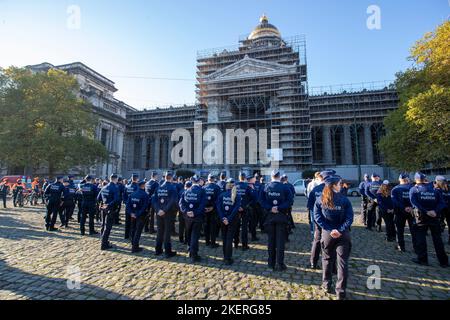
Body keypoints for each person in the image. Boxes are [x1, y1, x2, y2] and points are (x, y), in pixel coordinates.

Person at [314, 175, 354, 300]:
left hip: (328, 234)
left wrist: (330, 229)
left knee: (327, 259)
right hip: (342, 235)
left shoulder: (320, 199)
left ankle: (326, 285)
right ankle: (341, 291)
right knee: (342, 262)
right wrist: (340, 230)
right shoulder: (344, 199)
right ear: (335, 185)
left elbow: (317, 217)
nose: (341, 185)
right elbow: (349, 218)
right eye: (339, 183)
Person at [410, 172, 448, 267]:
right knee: (437, 239)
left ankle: (422, 259)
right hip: (434, 217)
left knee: (421, 238)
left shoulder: (414, 190)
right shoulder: (435, 190)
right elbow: (442, 203)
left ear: (416, 179)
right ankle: (443, 261)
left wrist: (426, 211)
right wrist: (434, 211)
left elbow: (415, 204)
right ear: (425, 179)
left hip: (421, 217)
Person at [260, 169, 294, 271]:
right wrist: (279, 208)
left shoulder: (266, 187)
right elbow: (290, 201)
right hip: (281, 216)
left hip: (270, 216)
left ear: (271, 176)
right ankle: (280, 264)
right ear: (279, 176)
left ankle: (270, 264)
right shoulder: (285, 187)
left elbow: (261, 201)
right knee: (280, 242)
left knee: (271, 241)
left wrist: (270, 208)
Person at [306, 170, 335, 269]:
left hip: (319, 220)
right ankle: (333, 266)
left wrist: (315, 217)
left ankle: (313, 263)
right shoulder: (335, 189)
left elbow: (310, 205)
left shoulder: (316, 189)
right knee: (333, 242)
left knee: (317, 240)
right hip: (332, 220)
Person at [179, 175, 207, 262]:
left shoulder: (187, 190)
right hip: (197, 216)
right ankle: (194, 254)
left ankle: (190, 251)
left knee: (189, 234)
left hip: (188, 217)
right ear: (199, 181)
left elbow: (181, 203)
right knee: (195, 235)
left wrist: (186, 211)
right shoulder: (202, 191)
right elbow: (202, 205)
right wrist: (193, 212)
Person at [152, 171, 178, 258]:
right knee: (167, 233)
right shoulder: (172, 187)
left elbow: (154, 200)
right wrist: (165, 210)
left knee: (160, 232)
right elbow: (172, 201)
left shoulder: (159, 187)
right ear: (171, 178)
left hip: (159, 213)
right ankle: (167, 251)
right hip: (168, 213)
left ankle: (158, 250)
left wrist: (158, 210)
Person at [216, 178, 241, 265]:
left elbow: (218, 208)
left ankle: (225, 256)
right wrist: (228, 219)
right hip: (232, 220)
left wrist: (223, 218)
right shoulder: (237, 195)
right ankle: (228, 258)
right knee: (229, 239)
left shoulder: (221, 195)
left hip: (223, 220)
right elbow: (235, 209)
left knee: (224, 238)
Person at [391, 173, 416, 252]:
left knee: (400, 230)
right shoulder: (413, 187)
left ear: (399, 180)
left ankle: (401, 247)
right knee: (413, 230)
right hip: (411, 212)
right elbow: (416, 200)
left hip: (400, 212)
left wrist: (404, 207)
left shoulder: (395, 189)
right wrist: (411, 207)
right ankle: (416, 247)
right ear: (408, 179)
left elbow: (395, 201)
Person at [97, 174, 120, 251]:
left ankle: (103, 240)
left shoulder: (104, 187)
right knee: (108, 227)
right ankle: (104, 244)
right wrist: (108, 205)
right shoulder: (115, 188)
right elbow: (116, 200)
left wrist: (102, 205)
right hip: (110, 209)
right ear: (115, 179)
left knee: (103, 224)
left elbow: (98, 198)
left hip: (103, 208)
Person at [127, 180, 149, 253]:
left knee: (133, 229)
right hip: (140, 215)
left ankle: (133, 243)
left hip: (133, 214)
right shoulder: (145, 194)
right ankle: (135, 247)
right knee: (138, 231)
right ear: (142, 186)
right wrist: (137, 214)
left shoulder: (132, 194)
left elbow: (128, 205)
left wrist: (131, 213)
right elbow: (145, 206)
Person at [234, 172, 252, 250]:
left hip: (236, 209)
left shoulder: (234, 186)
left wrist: (237, 207)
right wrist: (245, 206)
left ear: (239, 177)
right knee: (244, 227)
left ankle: (235, 243)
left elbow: (232, 198)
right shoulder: (247, 186)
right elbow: (253, 198)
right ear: (244, 178)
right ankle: (244, 245)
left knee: (236, 226)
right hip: (245, 209)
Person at [203, 174, 221, 248]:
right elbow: (218, 199)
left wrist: (204, 207)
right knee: (212, 226)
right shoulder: (217, 187)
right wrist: (212, 207)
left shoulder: (204, 187)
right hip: (213, 209)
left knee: (206, 225)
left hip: (205, 209)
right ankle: (212, 243)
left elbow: (201, 199)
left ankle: (207, 241)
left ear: (208, 179)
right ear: (213, 179)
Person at [123, 174, 139, 240]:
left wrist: (126, 203)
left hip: (127, 206)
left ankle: (126, 235)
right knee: (134, 222)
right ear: (137, 179)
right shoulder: (137, 187)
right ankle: (132, 236)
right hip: (134, 207)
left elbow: (123, 196)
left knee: (127, 221)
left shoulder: (127, 186)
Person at [434, 176, 450, 245]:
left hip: (447, 209)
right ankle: (438, 238)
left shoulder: (448, 189)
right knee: (439, 223)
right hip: (440, 209)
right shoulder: (436, 190)